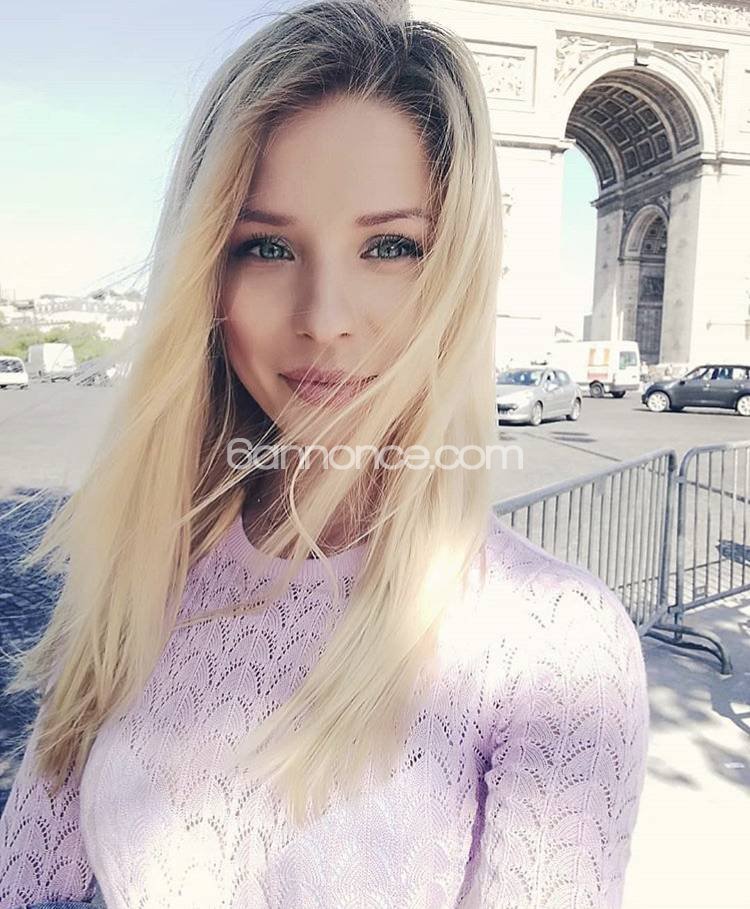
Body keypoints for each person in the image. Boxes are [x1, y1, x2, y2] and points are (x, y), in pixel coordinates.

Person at [0, 1, 650, 907]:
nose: (324, 318)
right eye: (266, 246)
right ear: (205, 273)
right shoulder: (136, 568)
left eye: (390, 246)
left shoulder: (555, 648)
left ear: (459, 270)